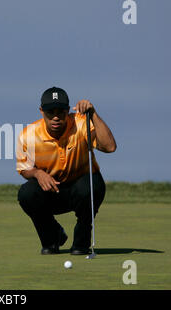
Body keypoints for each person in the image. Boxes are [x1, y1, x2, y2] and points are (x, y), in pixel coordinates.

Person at [16, 86, 117, 255]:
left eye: (61, 112)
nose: (56, 117)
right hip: (52, 191)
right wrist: (38, 173)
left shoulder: (80, 123)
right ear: (41, 111)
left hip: (82, 190)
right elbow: (24, 168)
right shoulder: (28, 135)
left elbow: (110, 147)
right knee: (27, 193)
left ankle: (81, 243)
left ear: (68, 110)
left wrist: (93, 114)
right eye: (50, 112)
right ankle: (52, 238)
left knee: (92, 186)